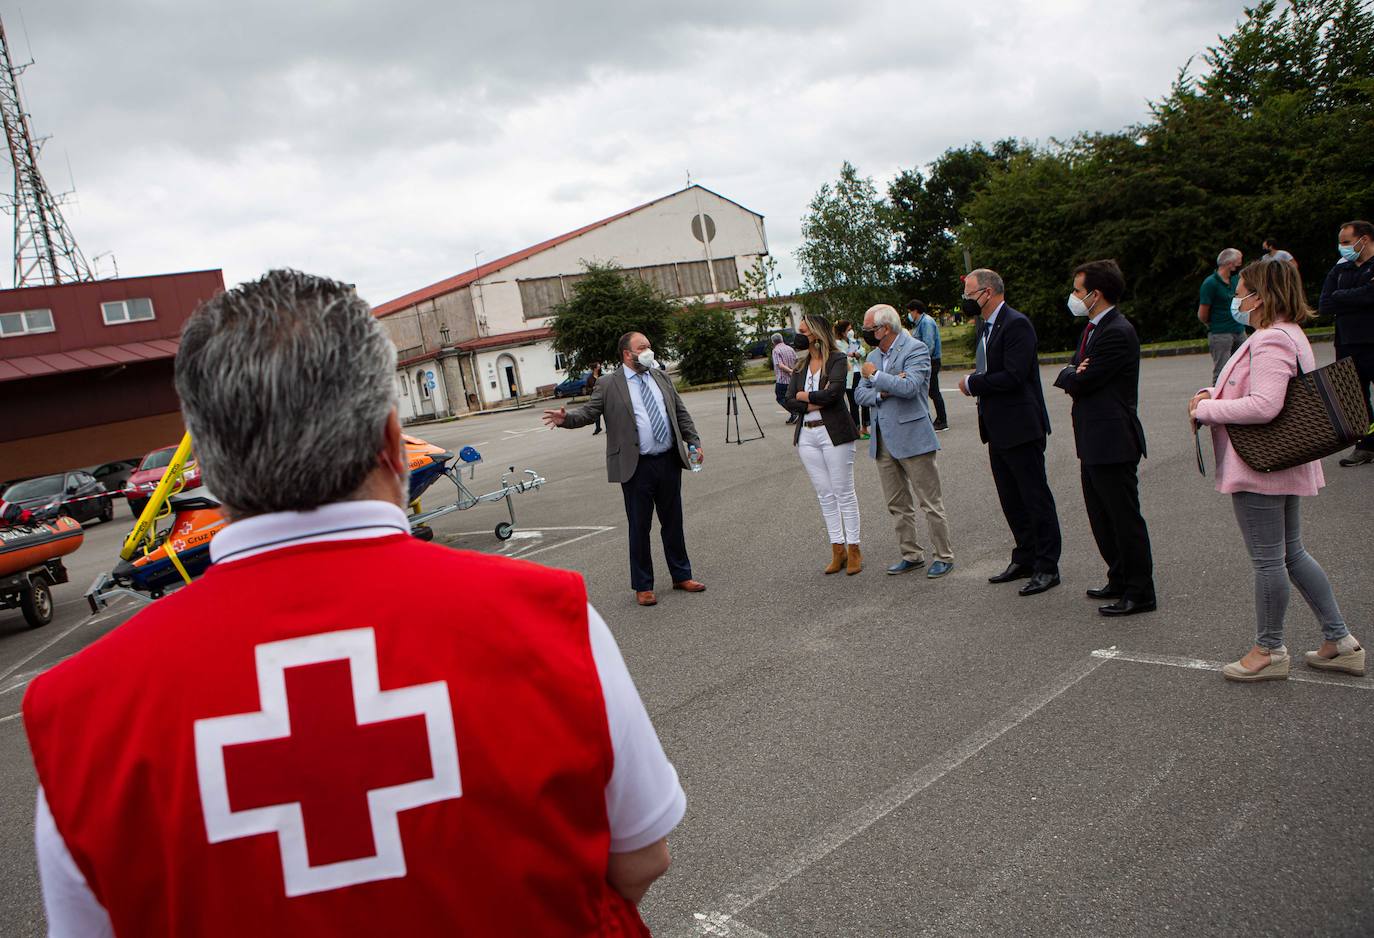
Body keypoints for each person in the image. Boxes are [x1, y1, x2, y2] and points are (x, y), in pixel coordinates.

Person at [23, 270, 685, 936]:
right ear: (392, 439)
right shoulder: (551, 622)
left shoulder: (79, 717)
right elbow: (639, 857)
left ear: (211, 468)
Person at [1190, 259, 1364, 682]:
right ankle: (1339, 642)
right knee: (1291, 554)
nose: (1236, 299)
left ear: (1261, 297)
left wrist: (1207, 409)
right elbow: (1259, 390)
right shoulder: (1286, 334)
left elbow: (1266, 404)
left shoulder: (1271, 340)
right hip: (1281, 461)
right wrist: (1213, 391)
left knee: (1269, 561)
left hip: (1263, 463)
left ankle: (1269, 650)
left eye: (1242, 292)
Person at [545, 332, 706, 607]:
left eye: (649, 346)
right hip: (636, 466)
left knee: (673, 522)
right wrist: (565, 420)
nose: (648, 351)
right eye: (642, 347)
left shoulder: (660, 377)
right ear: (627, 354)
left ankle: (682, 575)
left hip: (668, 461)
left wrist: (694, 440)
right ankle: (643, 585)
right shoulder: (609, 384)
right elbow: (589, 413)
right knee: (639, 527)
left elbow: (679, 412)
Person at [1052, 260, 1156, 617]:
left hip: (1112, 439)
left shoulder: (1116, 331)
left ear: (1095, 295)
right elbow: (1073, 369)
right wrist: (1073, 372)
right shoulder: (1093, 329)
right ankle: (1119, 576)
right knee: (1101, 516)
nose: (1075, 297)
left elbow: (1081, 379)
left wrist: (1073, 374)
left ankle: (1140, 591)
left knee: (1123, 517)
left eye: (1078, 291)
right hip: (1094, 438)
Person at [957, 269, 1062, 596]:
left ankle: (1047, 566)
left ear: (987, 293)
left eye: (969, 294)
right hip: (997, 428)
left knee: (1034, 497)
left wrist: (973, 383)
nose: (966, 301)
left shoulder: (1016, 324)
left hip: (1021, 426)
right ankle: (1025, 556)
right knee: (1011, 499)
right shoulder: (984, 326)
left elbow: (1014, 375)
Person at [855, 304, 954, 579]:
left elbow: (910, 387)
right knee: (897, 504)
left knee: (929, 502)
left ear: (884, 328)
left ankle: (943, 556)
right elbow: (860, 396)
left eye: (869, 328)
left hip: (913, 437)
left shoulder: (916, 349)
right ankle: (911, 554)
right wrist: (884, 390)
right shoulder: (873, 354)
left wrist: (875, 377)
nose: (866, 333)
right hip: (883, 441)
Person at [786, 314, 862, 574]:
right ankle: (837, 549)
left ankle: (854, 549)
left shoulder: (837, 359)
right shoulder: (800, 364)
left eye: (803, 330)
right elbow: (788, 399)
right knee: (825, 495)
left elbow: (834, 394)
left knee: (844, 493)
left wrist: (804, 396)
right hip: (807, 436)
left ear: (816, 333)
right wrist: (812, 400)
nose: (799, 335)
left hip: (835, 433)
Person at [1319, 219, 1374, 467]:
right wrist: (1358, 297)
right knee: (1355, 398)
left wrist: (1343, 297)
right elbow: (1325, 304)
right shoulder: (1340, 269)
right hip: (1347, 343)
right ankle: (1366, 445)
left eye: (1346, 242)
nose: (1342, 248)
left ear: (1364, 239)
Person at [1199, 247, 1247, 383]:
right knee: (1222, 370)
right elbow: (1203, 313)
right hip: (1220, 333)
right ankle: (1217, 399)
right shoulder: (1210, 283)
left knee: (1244, 366)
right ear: (1229, 264)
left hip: (1239, 330)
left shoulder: (1236, 280)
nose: (1240, 265)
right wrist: (1212, 324)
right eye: (1239, 262)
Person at [906, 299, 948, 431]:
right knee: (931, 391)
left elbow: (928, 345)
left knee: (933, 391)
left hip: (931, 361)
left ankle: (942, 420)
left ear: (915, 311)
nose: (909, 315)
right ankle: (937, 419)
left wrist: (921, 361)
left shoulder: (926, 322)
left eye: (910, 311)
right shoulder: (920, 323)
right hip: (928, 360)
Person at [834, 319, 863, 433]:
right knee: (853, 402)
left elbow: (862, 350)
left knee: (862, 401)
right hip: (848, 374)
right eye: (849, 329)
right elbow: (843, 356)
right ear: (842, 332)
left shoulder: (853, 341)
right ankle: (855, 427)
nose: (851, 331)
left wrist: (856, 354)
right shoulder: (837, 344)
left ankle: (863, 427)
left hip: (858, 372)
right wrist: (852, 355)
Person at [771, 332, 799, 425]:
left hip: (782, 379)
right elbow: (797, 360)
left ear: (773, 342)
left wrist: (789, 371)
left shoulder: (776, 350)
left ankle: (794, 412)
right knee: (791, 397)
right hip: (793, 379)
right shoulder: (789, 348)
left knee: (780, 398)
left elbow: (780, 365)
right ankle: (794, 414)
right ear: (782, 339)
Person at [588, 362, 603, 435]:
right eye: (598, 366)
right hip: (595, 397)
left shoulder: (602, 376)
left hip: (604, 395)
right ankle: (598, 428)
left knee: (606, 413)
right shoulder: (590, 378)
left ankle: (609, 428)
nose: (600, 367)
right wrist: (592, 389)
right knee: (597, 413)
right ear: (595, 368)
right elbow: (587, 388)